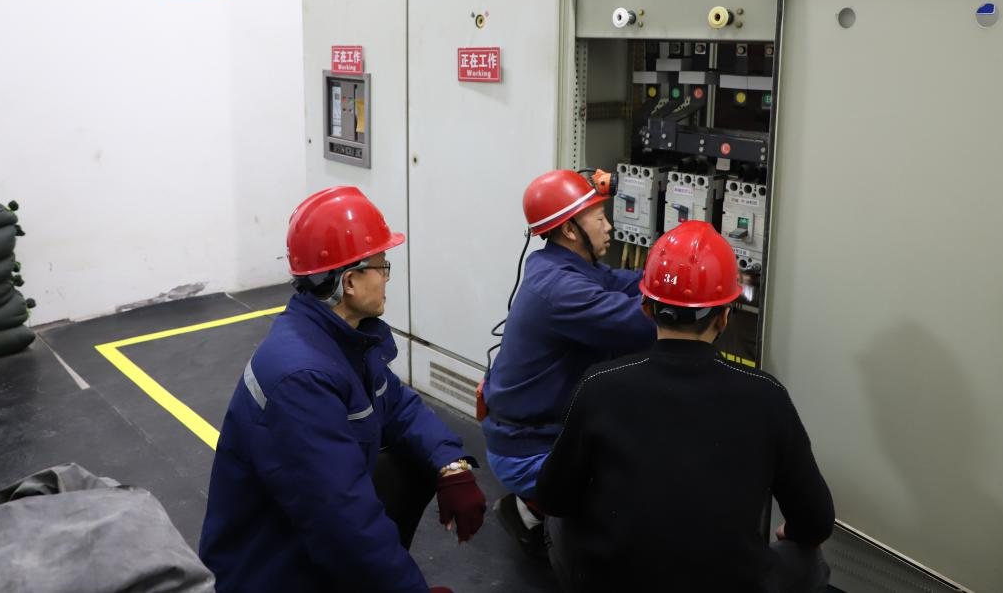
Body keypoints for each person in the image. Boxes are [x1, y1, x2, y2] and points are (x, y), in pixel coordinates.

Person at [199, 186, 486, 593]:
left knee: (408, 460)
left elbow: (398, 405)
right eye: (382, 265)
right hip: (274, 574)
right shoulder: (301, 377)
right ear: (350, 281)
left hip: (307, 542)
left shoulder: (341, 338)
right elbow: (345, 522)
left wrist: (450, 464)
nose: (386, 277)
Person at [535, 220, 834, 592]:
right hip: (731, 583)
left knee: (557, 521)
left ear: (646, 308)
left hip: (618, 581)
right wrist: (792, 531)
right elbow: (817, 522)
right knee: (810, 559)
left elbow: (553, 497)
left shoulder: (599, 384)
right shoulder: (767, 394)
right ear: (725, 316)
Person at [481, 170, 656, 554]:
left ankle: (536, 507)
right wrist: (693, 294)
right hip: (530, 450)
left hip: (536, 432)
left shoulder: (561, 265)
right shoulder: (560, 288)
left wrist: (668, 272)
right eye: (600, 218)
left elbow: (624, 283)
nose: (609, 227)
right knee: (638, 485)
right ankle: (551, 525)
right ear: (570, 230)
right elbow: (638, 324)